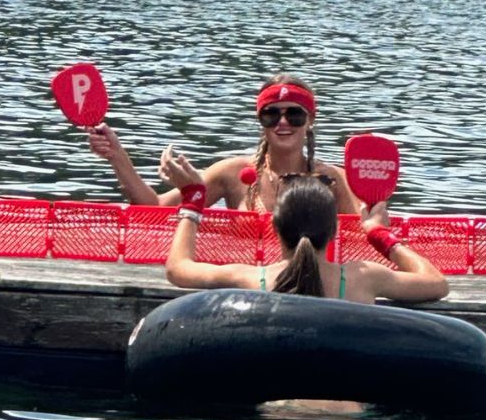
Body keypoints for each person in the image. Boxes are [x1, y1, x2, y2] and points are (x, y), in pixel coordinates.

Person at [162, 165, 448, 305]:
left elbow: (178, 269)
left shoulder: (251, 279)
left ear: (275, 229)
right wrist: (378, 234)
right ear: (335, 231)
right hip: (347, 414)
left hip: (278, 410)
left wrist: (193, 203)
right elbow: (436, 283)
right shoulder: (364, 277)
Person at [88, 73, 361, 214]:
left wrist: (373, 196)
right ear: (260, 120)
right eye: (271, 114)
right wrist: (117, 156)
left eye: (294, 114)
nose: (283, 122)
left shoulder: (333, 179)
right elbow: (155, 209)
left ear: (310, 120)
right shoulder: (231, 173)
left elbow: (365, 234)